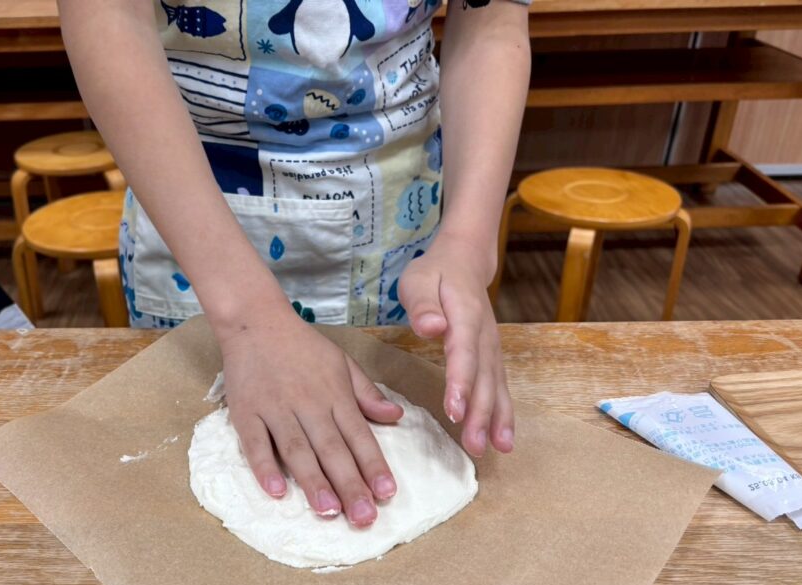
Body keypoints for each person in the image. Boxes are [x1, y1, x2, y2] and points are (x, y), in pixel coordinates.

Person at [59, 0, 531, 527]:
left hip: (395, 230)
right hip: (194, 226)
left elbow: (490, 25)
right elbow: (106, 18)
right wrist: (246, 318)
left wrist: (466, 242)